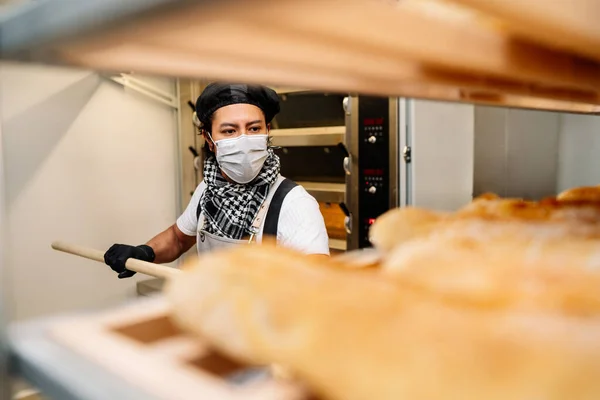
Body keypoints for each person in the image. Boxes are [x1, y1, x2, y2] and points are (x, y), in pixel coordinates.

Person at [104, 83, 330, 278]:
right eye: (230, 131)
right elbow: (178, 238)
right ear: (209, 139)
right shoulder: (209, 190)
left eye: (253, 128)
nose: (244, 140)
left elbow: (316, 282)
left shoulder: (294, 203)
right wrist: (144, 253)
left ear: (267, 131)